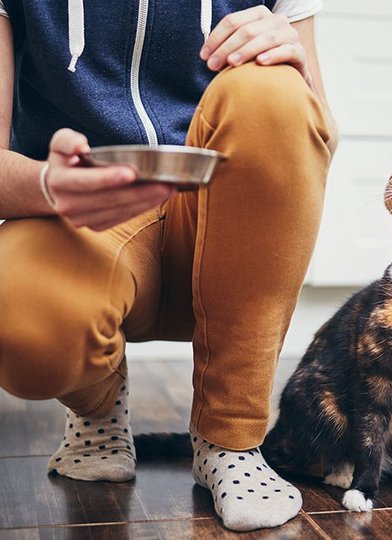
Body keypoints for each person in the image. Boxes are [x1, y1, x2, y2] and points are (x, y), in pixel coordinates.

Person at [0, 0, 337, 532]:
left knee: (273, 90)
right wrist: (47, 184)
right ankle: (97, 407)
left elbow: (315, 134)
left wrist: (296, 70)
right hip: (77, 216)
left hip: (222, 216)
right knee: (24, 325)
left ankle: (229, 437)